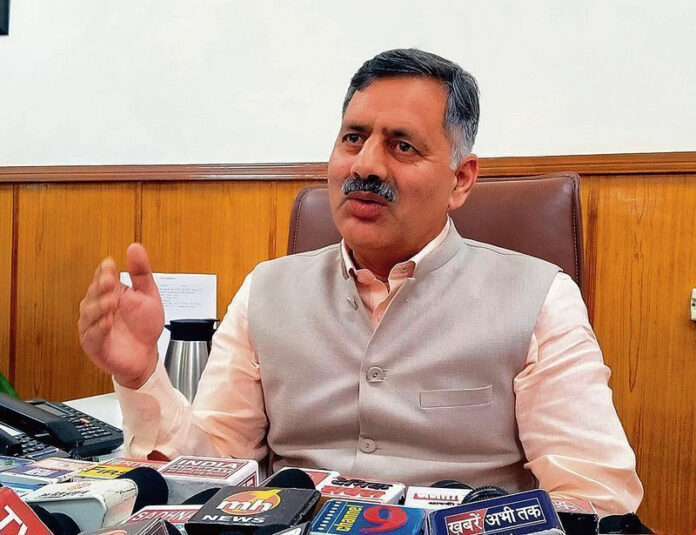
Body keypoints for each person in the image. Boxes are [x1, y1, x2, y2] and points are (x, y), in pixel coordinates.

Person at [78, 49, 642, 514]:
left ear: (461, 180)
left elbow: (594, 497)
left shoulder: (540, 299)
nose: (365, 165)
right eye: (353, 138)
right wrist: (141, 375)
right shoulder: (266, 290)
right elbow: (216, 470)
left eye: (402, 145)